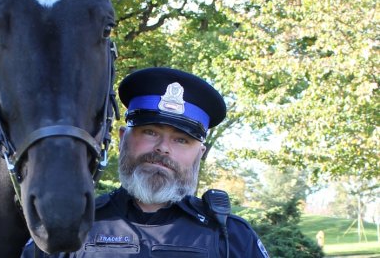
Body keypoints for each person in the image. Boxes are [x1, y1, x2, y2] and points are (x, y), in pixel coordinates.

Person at [21, 67, 270, 258]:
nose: (163, 148)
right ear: (122, 139)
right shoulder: (69, 228)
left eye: (181, 140)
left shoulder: (231, 237)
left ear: (199, 153)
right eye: (150, 132)